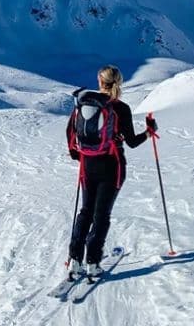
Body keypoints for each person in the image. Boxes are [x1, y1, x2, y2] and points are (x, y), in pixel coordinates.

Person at [65, 64, 157, 278]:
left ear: (100, 81)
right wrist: (149, 132)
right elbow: (132, 142)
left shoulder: (85, 103)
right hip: (111, 166)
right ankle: (93, 262)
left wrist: (79, 155)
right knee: (101, 215)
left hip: (87, 165)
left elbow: (70, 132)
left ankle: (75, 260)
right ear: (119, 82)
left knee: (85, 212)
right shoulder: (120, 108)